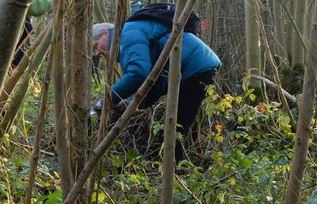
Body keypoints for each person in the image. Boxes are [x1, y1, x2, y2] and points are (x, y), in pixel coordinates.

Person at [92, 19, 221, 161]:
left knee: (173, 130)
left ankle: (177, 175)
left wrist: (108, 98)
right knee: (174, 129)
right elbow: (154, 83)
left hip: (196, 67)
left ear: (105, 33)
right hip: (196, 68)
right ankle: (180, 170)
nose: (98, 52)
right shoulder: (129, 39)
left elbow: (138, 74)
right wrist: (130, 102)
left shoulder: (128, 34)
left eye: (96, 46)